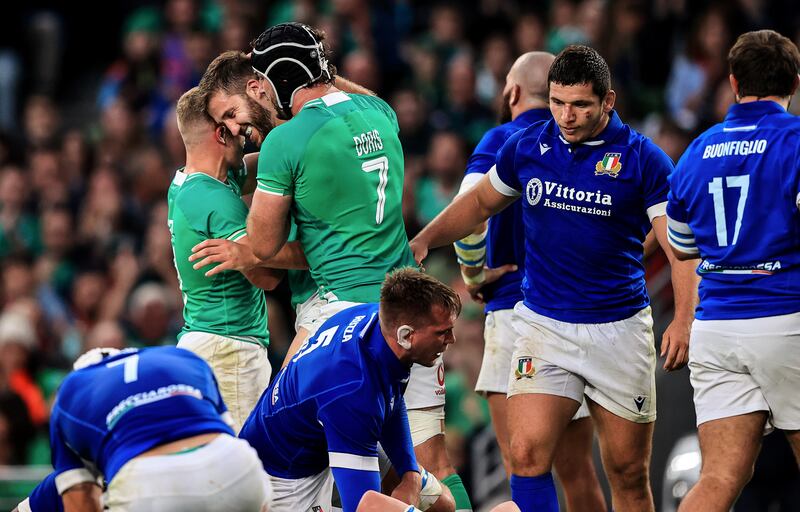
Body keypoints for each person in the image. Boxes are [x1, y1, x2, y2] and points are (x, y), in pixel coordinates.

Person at [409, 45, 699, 512]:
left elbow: (680, 249)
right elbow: (481, 202)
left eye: (580, 104)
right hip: (543, 326)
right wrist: (425, 239)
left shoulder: (643, 159)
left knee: (625, 473)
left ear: (609, 101)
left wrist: (683, 317)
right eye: (559, 102)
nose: (566, 115)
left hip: (618, 330)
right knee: (525, 456)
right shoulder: (529, 145)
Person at [198, 25, 474, 510]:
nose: (245, 112)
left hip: (342, 314)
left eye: (254, 91)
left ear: (270, 85)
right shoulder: (379, 113)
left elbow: (264, 246)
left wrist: (242, 246)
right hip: (410, 302)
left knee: (312, 467)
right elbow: (335, 106)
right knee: (430, 467)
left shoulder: (287, 140)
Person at [456, 51, 605, 510]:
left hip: (514, 316)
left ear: (513, 91)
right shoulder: (581, 143)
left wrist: (474, 272)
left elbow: (466, 213)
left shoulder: (504, 137)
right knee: (578, 473)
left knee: (522, 465)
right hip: (574, 317)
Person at [665, 29, 800, 512]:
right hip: (786, 320)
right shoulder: (795, 141)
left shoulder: (696, 152)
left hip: (717, 328)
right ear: (795, 82)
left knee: (719, 478)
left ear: (733, 82)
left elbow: (681, 246)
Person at [239, 268, 460, 512]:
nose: (452, 340)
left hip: (324, 437)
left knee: (443, 504)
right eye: (442, 332)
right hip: (285, 478)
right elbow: (363, 506)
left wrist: (410, 474)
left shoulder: (377, 321)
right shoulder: (352, 390)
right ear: (406, 336)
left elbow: (391, 399)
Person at [169, 86, 305, 433]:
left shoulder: (189, 182)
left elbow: (277, 157)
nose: (243, 133)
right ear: (220, 133)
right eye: (232, 122)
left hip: (206, 341)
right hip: (229, 351)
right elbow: (269, 277)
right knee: (249, 471)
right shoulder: (215, 201)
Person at [45, 346, 270, 511]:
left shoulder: (68, 394)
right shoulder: (182, 357)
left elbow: (81, 501)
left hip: (148, 486)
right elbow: (227, 434)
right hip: (233, 466)